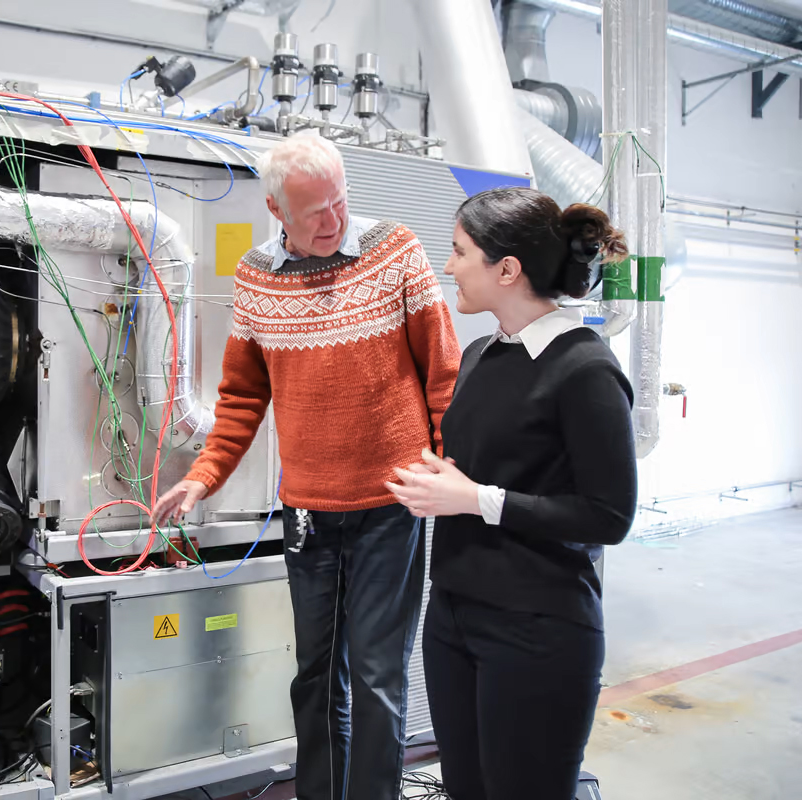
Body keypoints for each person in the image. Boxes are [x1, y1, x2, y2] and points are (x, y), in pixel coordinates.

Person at [153, 133, 461, 800]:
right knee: (316, 674)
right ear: (274, 209)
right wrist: (201, 477)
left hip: (392, 504)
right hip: (309, 512)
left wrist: (446, 474)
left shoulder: (396, 251)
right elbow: (240, 399)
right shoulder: (257, 277)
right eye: (315, 210)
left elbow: (444, 378)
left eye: (341, 200)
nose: (335, 220)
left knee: (378, 677)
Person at [386, 187, 638, 800]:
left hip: (538, 627)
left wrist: (475, 500)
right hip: (453, 614)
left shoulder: (585, 370)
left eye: (459, 252)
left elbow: (607, 516)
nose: (449, 268)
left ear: (507, 269)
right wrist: (433, 480)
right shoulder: (479, 355)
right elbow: (482, 467)